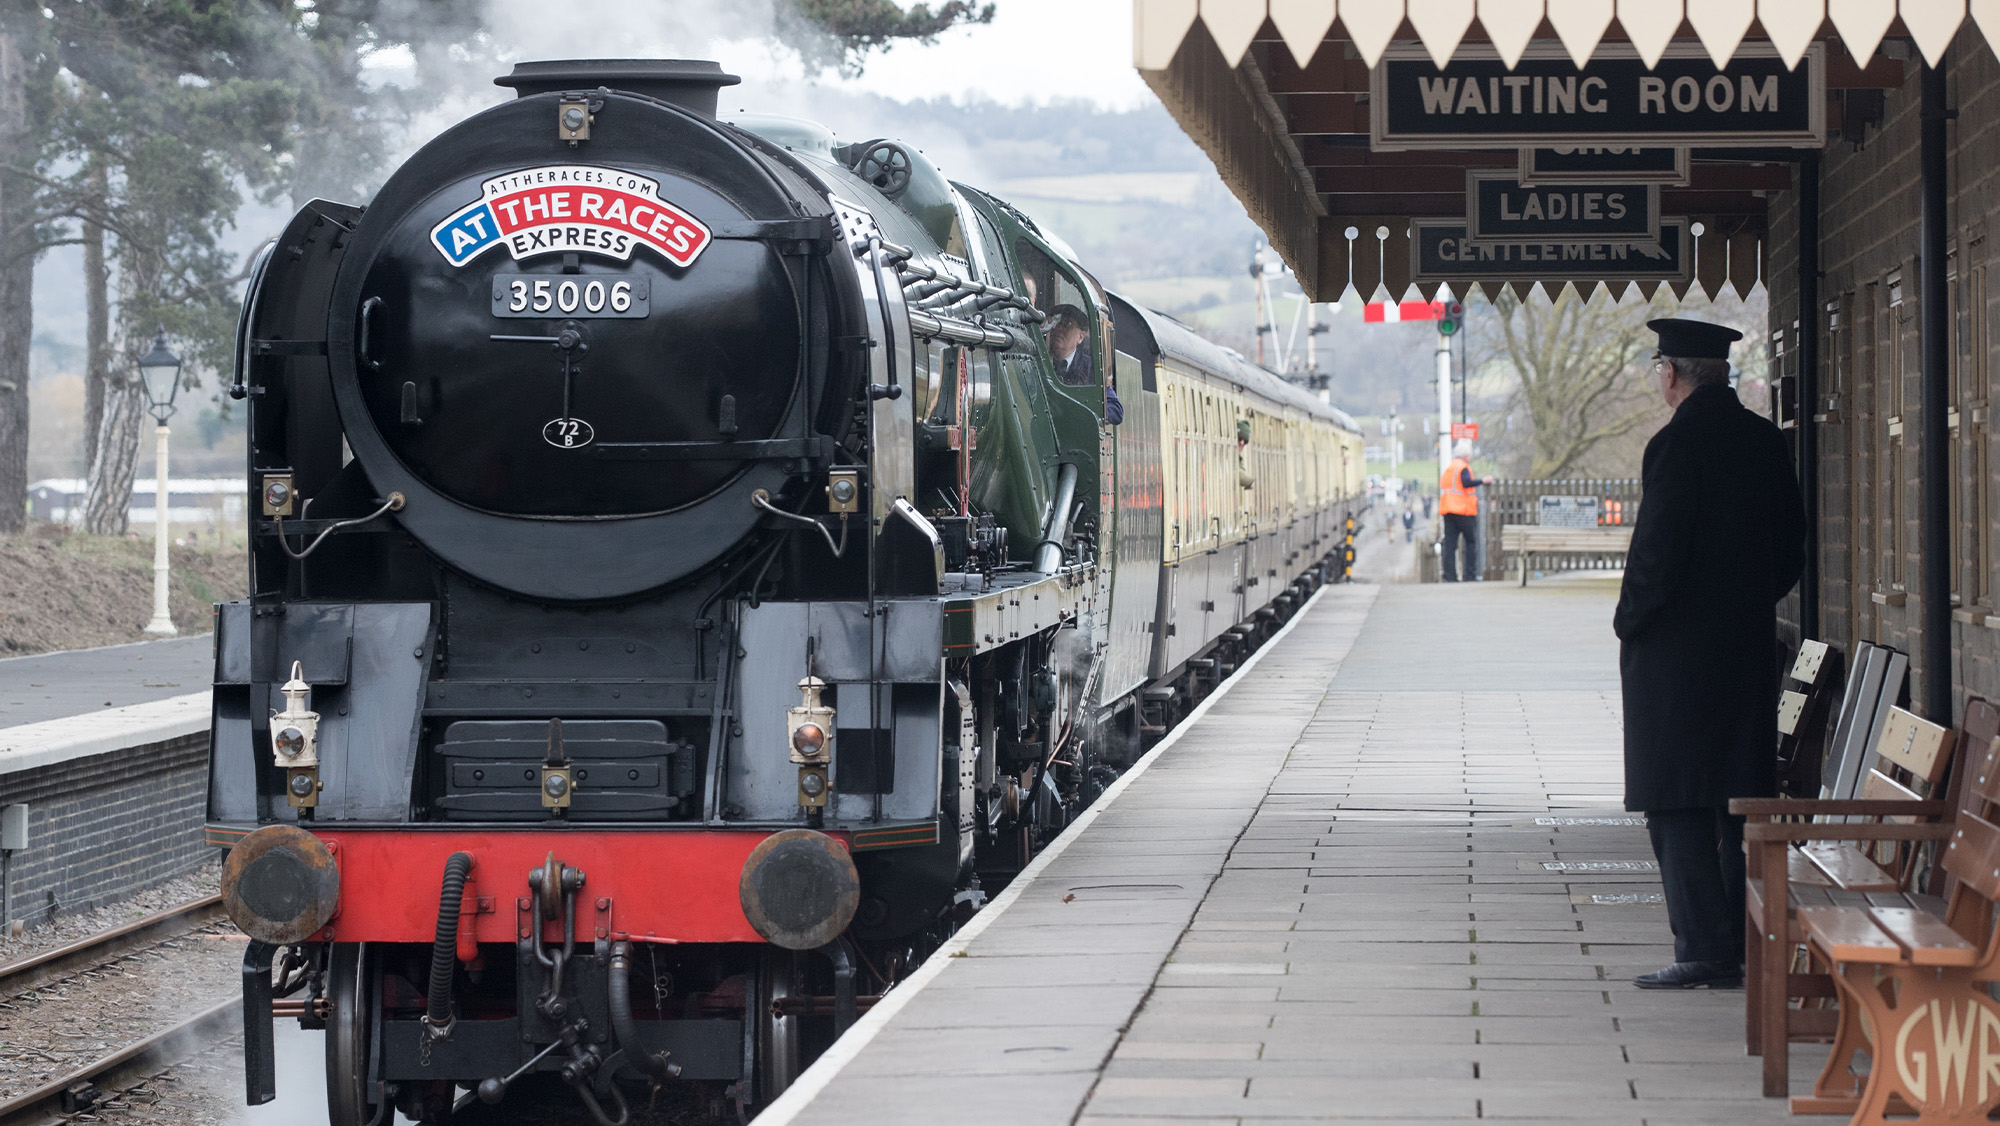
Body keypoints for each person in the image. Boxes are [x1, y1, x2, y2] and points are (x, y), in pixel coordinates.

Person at [1616, 318, 1805, 990]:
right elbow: (1793, 550)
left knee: (1675, 802)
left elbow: (1656, 553)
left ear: (1671, 373)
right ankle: (1738, 942)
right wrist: (1743, 604)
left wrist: (1631, 622)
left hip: (1676, 660)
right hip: (1747, 649)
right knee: (1738, 798)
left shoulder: (1675, 445)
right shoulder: (1763, 443)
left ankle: (1704, 948)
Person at [1439, 438, 1494, 581]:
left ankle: (1450, 576)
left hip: (1448, 510)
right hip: (1463, 510)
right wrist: (1482, 480)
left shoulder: (1449, 468)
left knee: (1450, 544)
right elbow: (1466, 483)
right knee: (1470, 542)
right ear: (1465, 455)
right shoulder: (1463, 467)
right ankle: (1470, 575)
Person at [1046, 305, 1093, 386]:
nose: (1059, 328)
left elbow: (1109, 397)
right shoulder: (1039, 354)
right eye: (1057, 323)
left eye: (1067, 324)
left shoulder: (1090, 368)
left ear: (1081, 337)